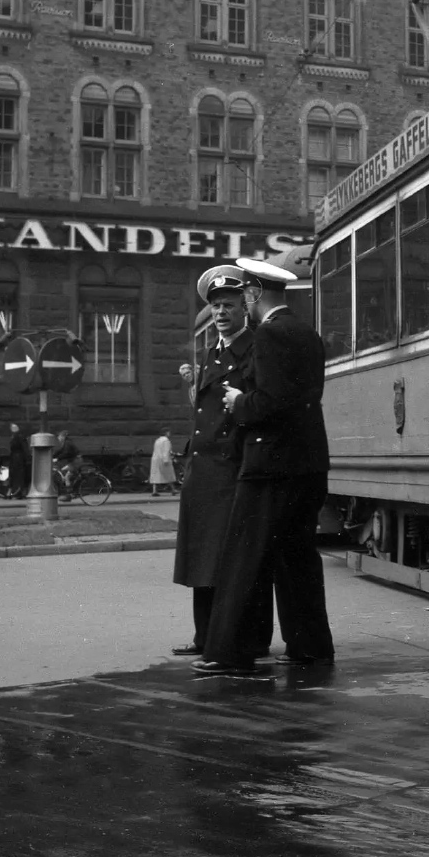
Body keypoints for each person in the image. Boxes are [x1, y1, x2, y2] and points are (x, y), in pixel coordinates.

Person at [195, 257, 333, 674]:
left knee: (243, 558)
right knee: (297, 559)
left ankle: (229, 652)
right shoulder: (306, 333)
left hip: (270, 466)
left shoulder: (269, 335)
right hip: (308, 465)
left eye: (245, 296)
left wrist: (240, 403)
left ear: (254, 294)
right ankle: (310, 646)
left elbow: (271, 403)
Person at [171, 264, 272, 660]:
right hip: (204, 472)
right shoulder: (211, 352)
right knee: (203, 559)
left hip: (233, 470)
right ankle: (205, 637)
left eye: (227, 305)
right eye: (214, 306)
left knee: (239, 560)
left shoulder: (255, 349)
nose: (219, 313)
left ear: (244, 307)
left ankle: (249, 639)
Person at [149, 426, 176, 496]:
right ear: (166, 433)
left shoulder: (157, 440)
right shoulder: (166, 440)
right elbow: (166, 451)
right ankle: (173, 489)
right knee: (169, 474)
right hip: (163, 459)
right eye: (169, 432)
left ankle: (154, 490)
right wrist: (166, 459)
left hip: (155, 459)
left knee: (155, 475)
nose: (170, 433)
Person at [6, 422, 30, 499]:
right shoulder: (18, 437)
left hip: (17, 459)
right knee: (16, 476)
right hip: (17, 459)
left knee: (17, 476)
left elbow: (24, 449)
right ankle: (15, 492)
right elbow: (25, 449)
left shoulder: (17, 437)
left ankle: (15, 493)